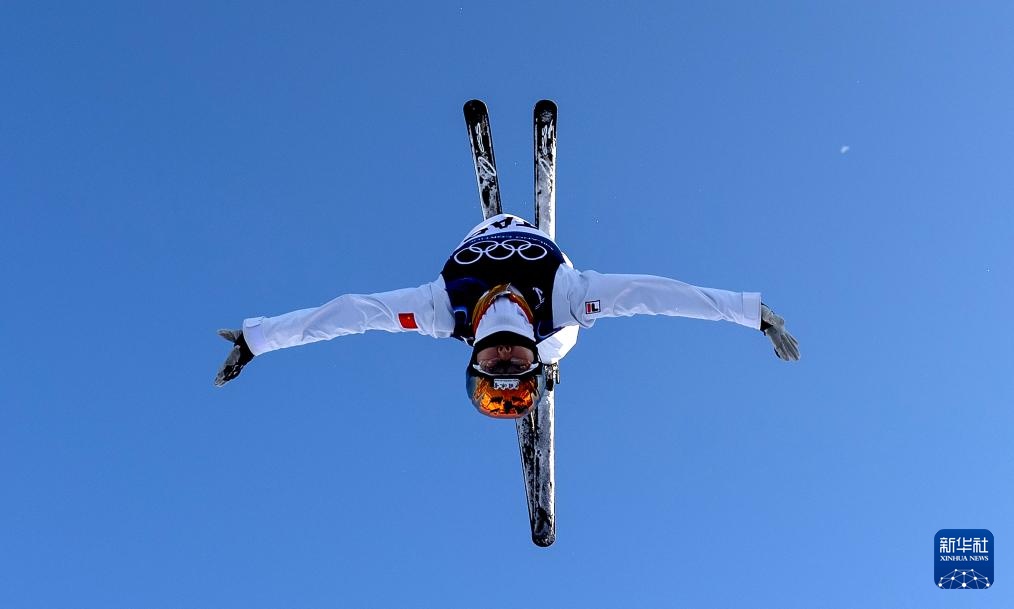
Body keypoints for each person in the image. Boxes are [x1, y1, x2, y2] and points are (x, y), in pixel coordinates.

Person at [216, 214, 799, 417]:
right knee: (562, 340)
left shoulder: (441, 309)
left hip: (484, 237)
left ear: (475, 355)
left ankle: (545, 371)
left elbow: (352, 312)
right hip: (538, 264)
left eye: (494, 361)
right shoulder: (568, 299)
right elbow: (656, 295)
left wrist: (259, 339)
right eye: (515, 359)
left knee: (561, 340)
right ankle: (550, 367)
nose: (503, 353)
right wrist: (752, 315)